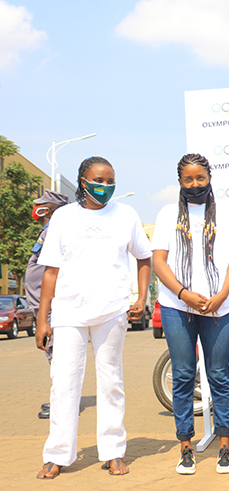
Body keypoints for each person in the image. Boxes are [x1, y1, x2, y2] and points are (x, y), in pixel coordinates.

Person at [35, 157, 152, 479]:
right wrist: (42, 319)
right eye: (99, 180)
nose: (106, 186)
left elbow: (144, 257)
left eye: (111, 180)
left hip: (111, 310)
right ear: (83, 182)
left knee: (111, 382)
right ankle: (58, 453)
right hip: (68, 312)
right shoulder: (63, 217)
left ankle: (113, 451)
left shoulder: (125, 214)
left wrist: (141, 297)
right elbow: (51, 271)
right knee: (64, 384)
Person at [152, 153, 229, 474]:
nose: (194, 185)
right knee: (183, 376)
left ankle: (225, 448)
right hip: (178, 307)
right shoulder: (166, 215)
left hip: (220, 307)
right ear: (180, 182)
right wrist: (183, 293)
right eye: (188, 180)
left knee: (219, 376)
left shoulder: (227, 214)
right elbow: (159, 261)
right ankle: (186, 448)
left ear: (209, 178)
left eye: (200, 179)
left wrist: (220, 296)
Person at [25, 189, 69, 420]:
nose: (37, 208)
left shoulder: (55, 229)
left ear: (50, 208)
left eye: (41, 205)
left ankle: (61, 402)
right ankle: (59, 397)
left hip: (49, 303)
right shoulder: (48, 228)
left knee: (56, 352)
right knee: (53, 352)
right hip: (42, 302)